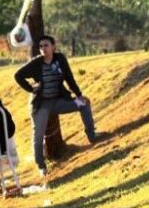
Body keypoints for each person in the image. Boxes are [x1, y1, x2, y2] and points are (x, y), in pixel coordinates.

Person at [13, 35, 100, 177]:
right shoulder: (36, 63)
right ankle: (41, 166)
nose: (43, 49)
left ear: (53, 46)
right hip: (41, 106)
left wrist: (79, 95)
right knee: (38, 134)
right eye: (41, 46)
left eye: (46, 45)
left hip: (59, 102)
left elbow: (69, 78)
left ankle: (92, 135)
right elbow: (18, 75)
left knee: (84, 104)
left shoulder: (60, 59)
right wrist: (31, 88)